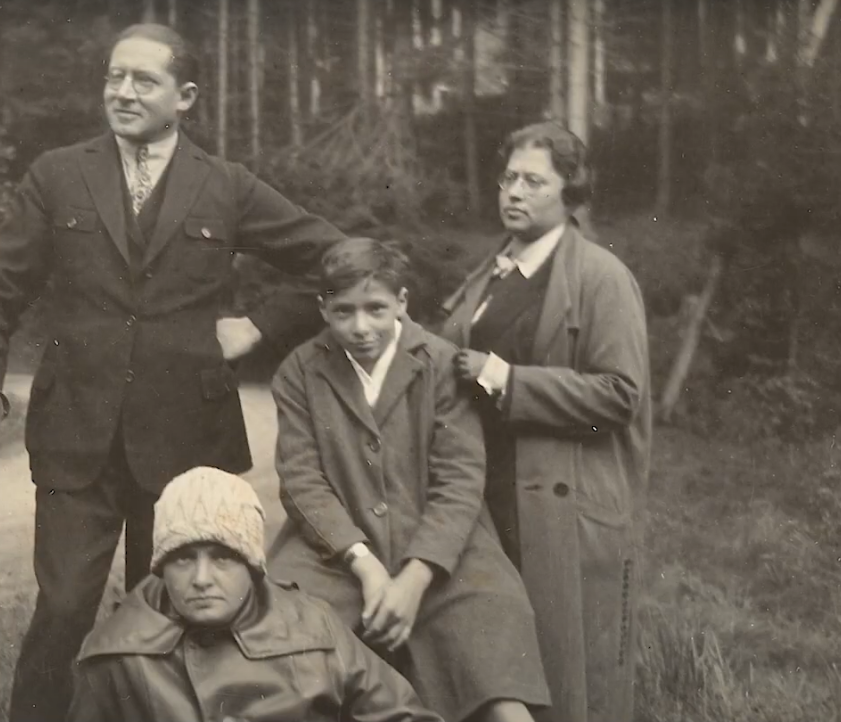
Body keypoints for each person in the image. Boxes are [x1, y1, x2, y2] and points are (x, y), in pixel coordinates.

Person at [0, 23, 344, 722]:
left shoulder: (227, 185)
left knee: (168, 618)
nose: (122, 93)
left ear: (184, 97)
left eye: (143, 81)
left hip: (189, 440)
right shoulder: (58, 175)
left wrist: (261, 326)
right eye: (114, 77)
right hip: (76, 434)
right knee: (64, 608)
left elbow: (338, 260)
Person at [266, 237, 550, 722]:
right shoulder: (300, 371)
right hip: (335, 553)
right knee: (283, 639)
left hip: (442, 552)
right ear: (323, 309)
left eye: (376, 309)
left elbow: (459, 480)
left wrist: (416, 577)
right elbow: (301, 480)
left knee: (492, 646)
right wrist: (366, 566)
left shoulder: (440, 363)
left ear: (401, 302)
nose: (361, 327)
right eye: (344, 311)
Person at [439, 122, 652, 722]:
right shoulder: (492, 272)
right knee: (490, 666)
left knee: (568, 678)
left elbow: (620, 395)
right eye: (508, 178)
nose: (514, 192)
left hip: (562, 508)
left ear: (571, 191)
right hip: (486, 496)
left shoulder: (601, 277)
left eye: (534, 181)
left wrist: (504, 378)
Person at [68, 466, 444, 722]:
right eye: (182, 559)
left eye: (222, 557)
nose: (201, 579)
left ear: (252, 566)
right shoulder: (116, 655)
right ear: (161, 567)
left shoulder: (313, 629)